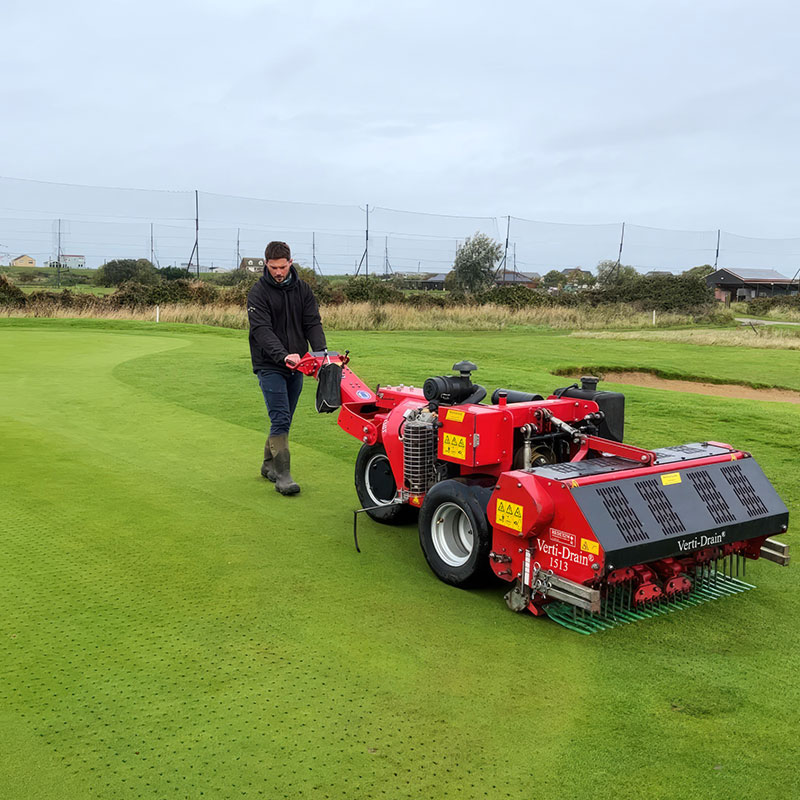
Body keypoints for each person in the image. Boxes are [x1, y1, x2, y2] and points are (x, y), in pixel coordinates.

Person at [247, 241, 326, 495]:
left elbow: (312, 322)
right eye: (273, 267)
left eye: (282, 267)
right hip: (269, 364)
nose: (278, 272)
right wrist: (283, 356)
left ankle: (268, 465)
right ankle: (283, 476)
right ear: (266, 264)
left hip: (298, 364)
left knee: (284, 418)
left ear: (290, 263)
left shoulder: (302, 290)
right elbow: (262, 331)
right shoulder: (257, 293)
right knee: (280, 416)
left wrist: (321, 354)